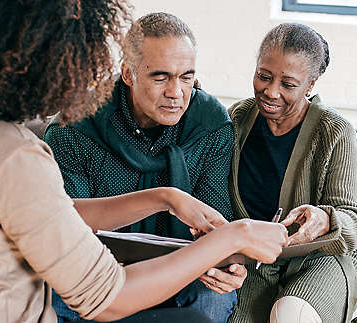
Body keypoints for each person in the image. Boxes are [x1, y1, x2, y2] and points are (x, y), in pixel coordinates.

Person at [0, 1, 291, 322]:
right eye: (69, 56)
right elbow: (108, 298)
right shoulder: (14, 157)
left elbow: (56, 212)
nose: (78, 72)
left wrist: (166, 197)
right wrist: (237, 234)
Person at [226, 23, 357, 323]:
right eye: (264, 76)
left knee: (290, 314)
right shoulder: (238, 118)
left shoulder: (334, 131)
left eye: (288, 84)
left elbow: (354, 215)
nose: (271, 91)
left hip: (334, 251)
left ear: (310, 85)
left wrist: (325, 218)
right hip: (266, 258)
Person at [45, 12, 243, 323]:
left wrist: (226, 268)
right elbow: (68, 231)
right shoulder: (75, 127)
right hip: (97, 272)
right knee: (54, 295)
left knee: (214, 299)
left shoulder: (211, 124)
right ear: (128, 73)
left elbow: (214, 222)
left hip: (180, 274)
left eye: (186, 77)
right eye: (160, 77)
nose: (176, 93)